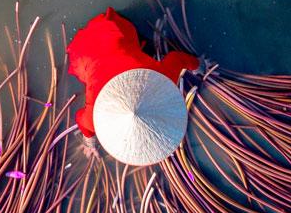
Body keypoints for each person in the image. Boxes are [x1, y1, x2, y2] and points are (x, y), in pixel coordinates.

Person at [66, 8, 199, 140]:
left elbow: (177, 59)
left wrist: (198, 66)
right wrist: (89, 139)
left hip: (109, 40)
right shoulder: (94, 117)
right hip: (88, 54)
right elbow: (84, 124)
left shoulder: (162, 77)